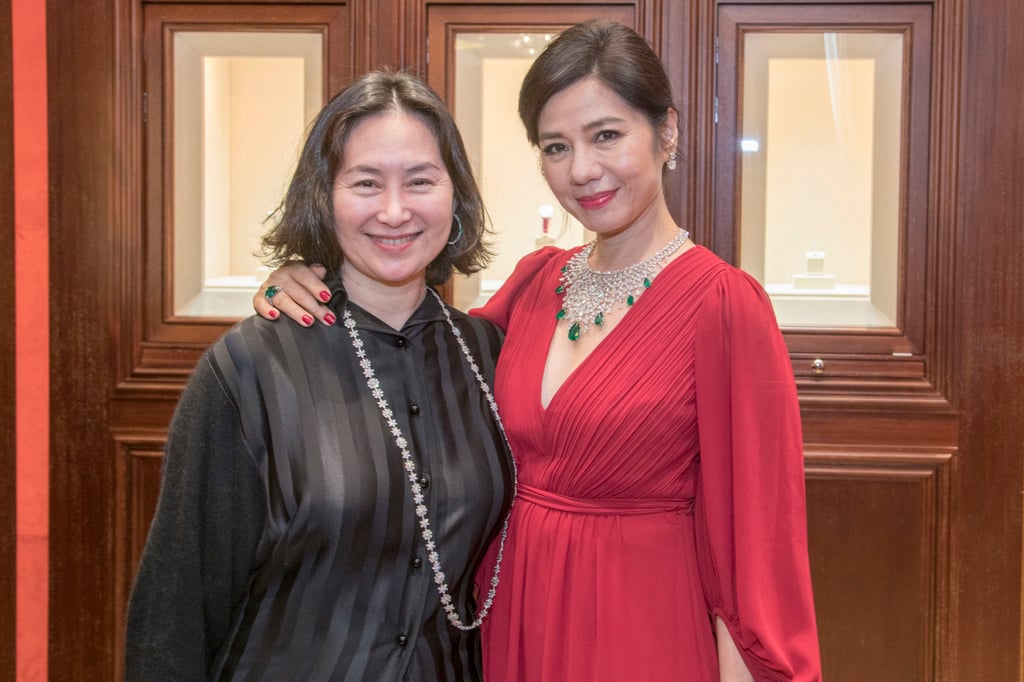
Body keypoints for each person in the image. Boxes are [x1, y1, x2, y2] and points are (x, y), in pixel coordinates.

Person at [254, 20, 821, 681]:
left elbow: (756, 545)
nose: (582, 170)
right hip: (509, 619)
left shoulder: (725, 306)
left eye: (606, 135)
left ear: (666, 132)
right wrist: (309, 274)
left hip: (639, 629)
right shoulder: (534, 283)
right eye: (556, 146)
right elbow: (414, 361)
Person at [125, 70, 517, 681]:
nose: (395, 210)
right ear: (324, 196)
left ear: (456, 195)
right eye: (365, 183)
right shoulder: (252, 365)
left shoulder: (489, 354)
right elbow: (176, 606)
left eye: (420, 181)